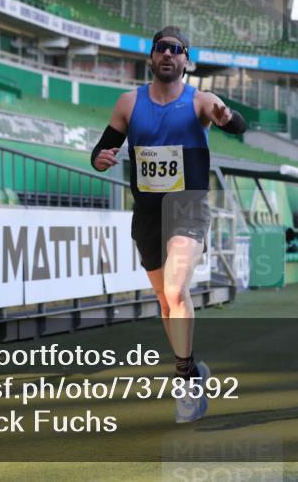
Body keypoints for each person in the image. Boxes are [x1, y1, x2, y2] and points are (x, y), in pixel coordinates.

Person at [90, 25, 247, 423]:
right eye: (162, 48)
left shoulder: (200, 101)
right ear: (151, 57)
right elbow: (101, 149)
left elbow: (238, 125)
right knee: (166, 301)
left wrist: (227, 117)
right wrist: (101, 160)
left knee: (176, 290)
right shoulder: (129, 103)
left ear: (186, 61)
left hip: (188, 208)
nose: (168, 55)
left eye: (176, 50)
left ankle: (182, 380)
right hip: (147, 214)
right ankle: (192, 369)